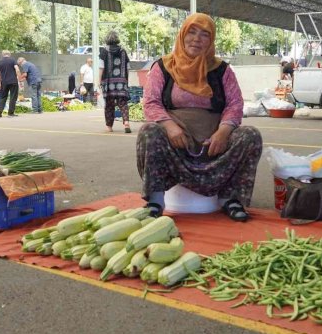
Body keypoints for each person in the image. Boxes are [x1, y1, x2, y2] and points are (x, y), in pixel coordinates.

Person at [136, 13, 262, 222]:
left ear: (211, 41)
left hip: (213, 143)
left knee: (250, 135)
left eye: (205, 35)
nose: (197, 39)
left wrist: (223, 132)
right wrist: (170, 127)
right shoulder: (163, 67)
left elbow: (235, 104)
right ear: (182, 35)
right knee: (149, 132)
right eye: (192, 32)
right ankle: (155, 202)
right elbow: (151, 102)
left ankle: (231, 199)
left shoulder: (222, 70)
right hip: (177, 143)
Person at [99, 30, 131, 133]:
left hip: (108, 83)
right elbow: (128, 67)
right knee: (123, 103)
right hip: (122, 82)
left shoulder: (104, 51)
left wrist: (99, 81)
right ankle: (126, 122)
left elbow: (101, 67)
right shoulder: (123, 51)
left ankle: (109, 126)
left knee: (109, 105)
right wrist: (126, 80)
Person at [0, 50, 21, 117]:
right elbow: (17, 70)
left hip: (4, 82)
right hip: (13, 82)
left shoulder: (0, 62)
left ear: (2, 54)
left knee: (3, 97)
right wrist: (20, 79)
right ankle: (10, 113)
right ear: (9, 54)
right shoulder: (13, 60)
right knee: (13, 97)